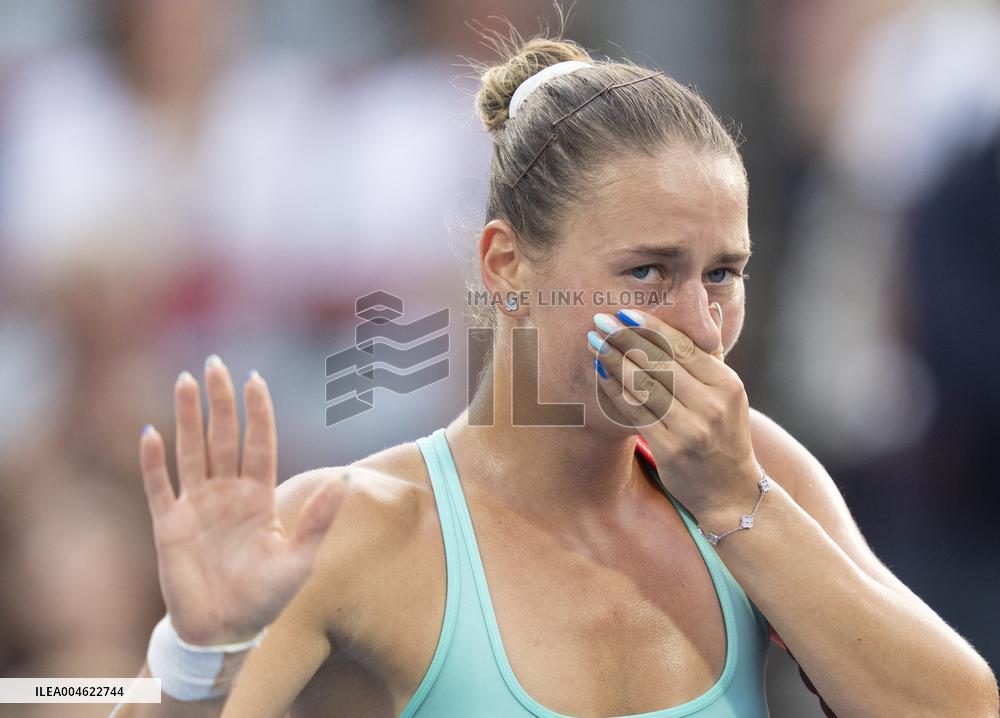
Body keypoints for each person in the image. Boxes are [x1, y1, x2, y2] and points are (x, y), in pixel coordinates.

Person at [113, 34, 998, 718]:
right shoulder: (363, 524)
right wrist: (198, 654)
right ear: (508, 269)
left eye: (724, 273)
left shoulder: (755, 474)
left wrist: (739, 511)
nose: (697, 324)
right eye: (647, 271)